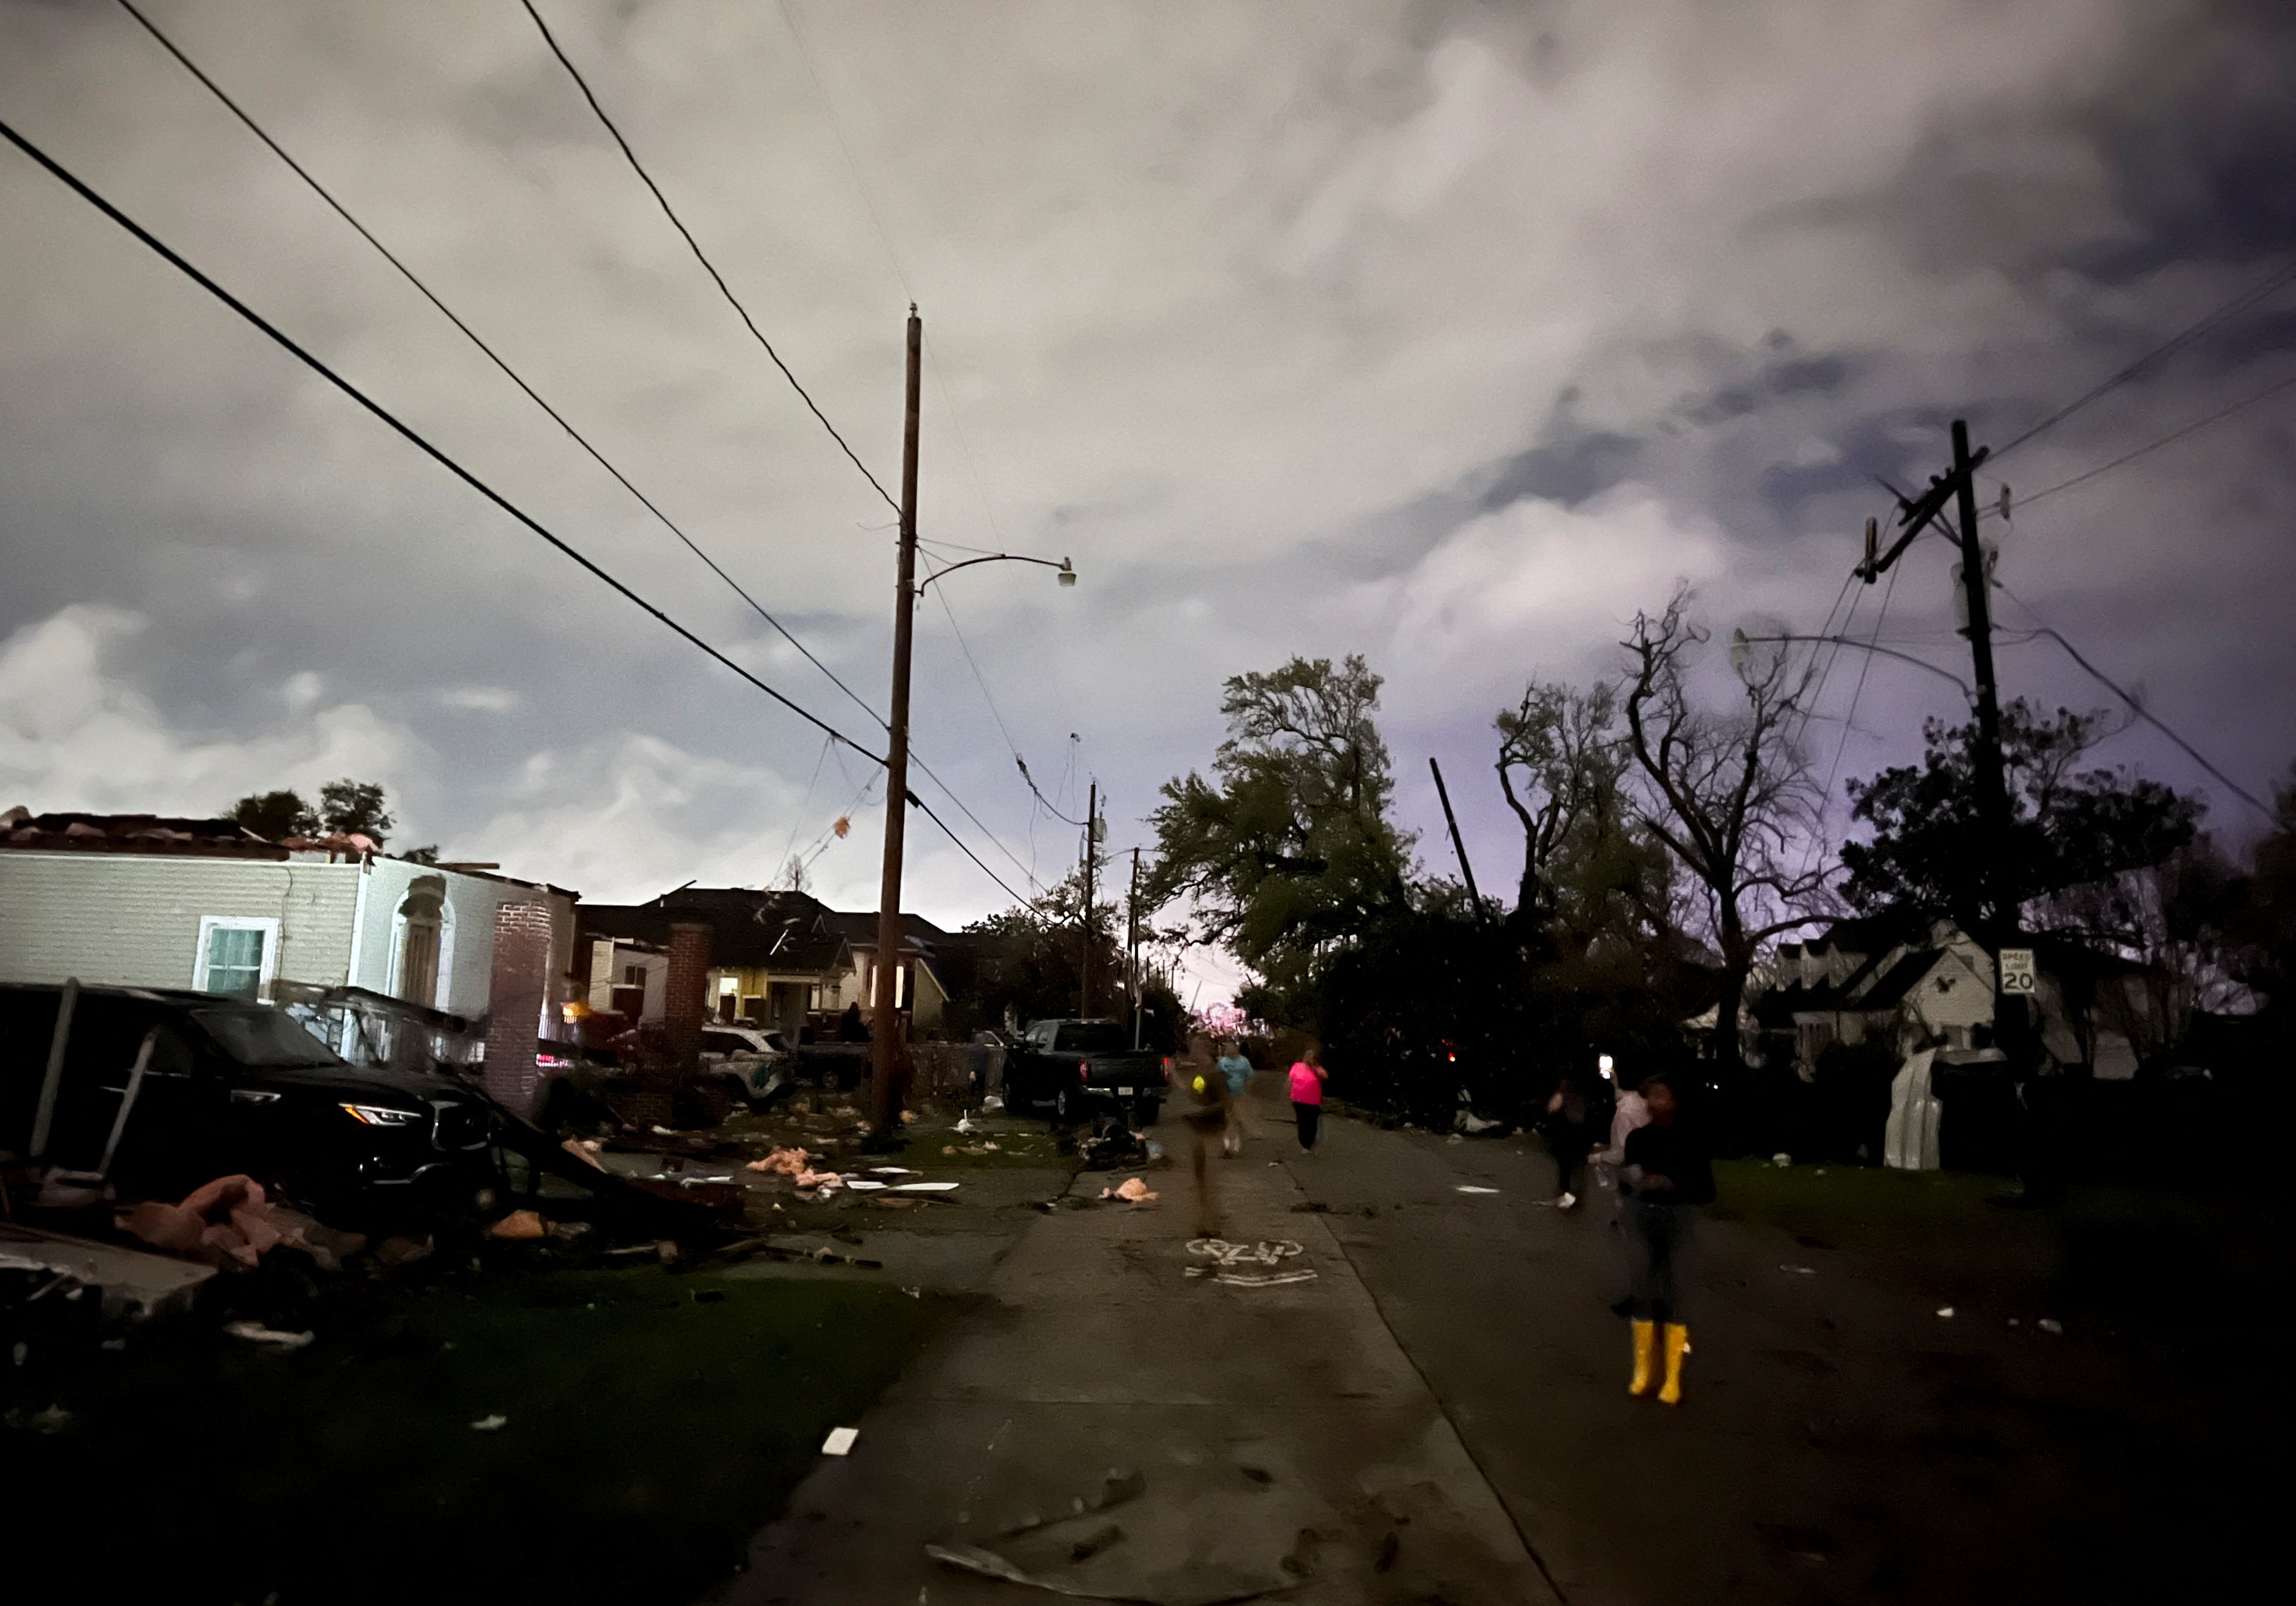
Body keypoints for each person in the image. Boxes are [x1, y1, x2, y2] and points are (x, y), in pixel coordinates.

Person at [1618, 1073, 1713, 1405]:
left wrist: (1672, 1185)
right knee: (1642, 1290)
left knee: (1674, 1293)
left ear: (1675, 1102)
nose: (1656, 1103)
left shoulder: (1691, 1140)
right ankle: (1642, 1371)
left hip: (1678, 1219)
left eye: (1663, 1096)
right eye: (1652, 1097)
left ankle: (1672, 1377)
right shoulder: (1639, 1139)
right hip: (1643, 1217)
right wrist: (1633, 1181)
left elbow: (1705, 1188)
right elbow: (1627, 1180)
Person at [1171, 1034, 1233, 1237]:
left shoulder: (1212, 1073)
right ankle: (1206, 1223)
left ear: (1203, 1050)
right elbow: (1194, 1094)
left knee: (1208, 1182)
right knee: (1202, 1183)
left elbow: (1225, 1103)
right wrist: (1175, 1075)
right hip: (1201, 1132)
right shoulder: (1202, 1073)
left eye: (1195, 1048)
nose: (1192, 1052)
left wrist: (1200, 1114)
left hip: (1211, 1133)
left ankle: (1211, 1224)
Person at [1542, 1073, 1593, 1209]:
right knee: (1577, 1170)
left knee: (1566, 1169)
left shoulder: (1564, 1096)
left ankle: (1567, 1196)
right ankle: (1574, 1197)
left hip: (1567, 1138)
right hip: (1579, 1138)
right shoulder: (1583, 1098)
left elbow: (1552, 1109)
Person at [1215, 1039, 1254, 1156]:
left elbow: (1250, 1077)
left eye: (1233, 1050)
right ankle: (1226, 1146)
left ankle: (1237, 1145)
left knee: (1237, 1119)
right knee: (1226, 1120)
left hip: (1239, 1094)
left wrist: (1246, 1091)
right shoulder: (1222, 1063)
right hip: (1226, 1095)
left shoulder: (1244, 1062)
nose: (1231, 1052)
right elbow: (1217, 1077)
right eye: (1228, 1050)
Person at [1287, 1046, 1328, 1151]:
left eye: (1312, 1056)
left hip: (1313, 1102)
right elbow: (1290, 1080)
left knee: (1312, 1122)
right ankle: (1304, 1142)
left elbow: (1325, 1076)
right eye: (1308, 1056)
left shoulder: (1317, 1069)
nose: (1309, 1058)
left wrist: (1315, 1067)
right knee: (1302, 1121)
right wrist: (1288, 1092)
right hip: (1298, 1100)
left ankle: (1309, 1142)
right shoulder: (1297, 1066)